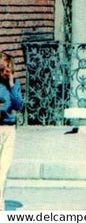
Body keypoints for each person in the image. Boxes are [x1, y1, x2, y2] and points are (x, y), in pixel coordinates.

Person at [0, 52, 23, 209]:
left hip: (9, 128)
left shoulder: (14, 85)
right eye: (2, 70)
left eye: (8, 70)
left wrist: (12, 84)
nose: (5, 73)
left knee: (4, 168)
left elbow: (18, 105)